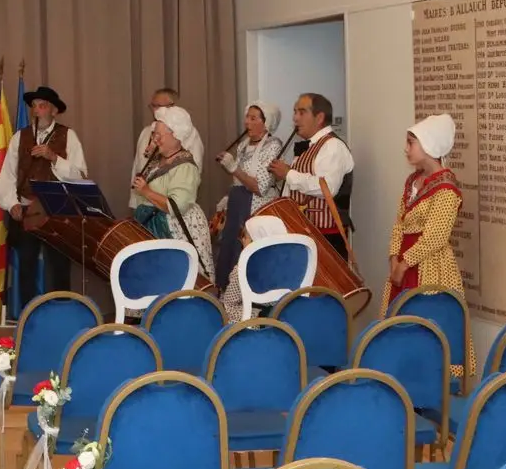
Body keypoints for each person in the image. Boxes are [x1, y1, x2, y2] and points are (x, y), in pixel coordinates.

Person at [383, 114, 474, 374]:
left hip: (429, 265)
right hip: (403, 261)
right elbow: (399, 223)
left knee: (428, 320)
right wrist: (394, 257)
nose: (406, 148)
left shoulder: (446, 188)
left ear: (429, 145)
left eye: (411, 142)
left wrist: (405, 263)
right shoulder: (412, 181)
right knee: (398, 319)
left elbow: (436, 236)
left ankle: (432, 377)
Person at [0, 85, 88, 303]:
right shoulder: (20, 137)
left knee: (59, 266)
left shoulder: (68, 135)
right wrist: (12, 203)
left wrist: (54, 158)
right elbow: (8, 175)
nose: (36, 111)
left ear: (54, 111)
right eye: (34, 106)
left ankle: (61, 311)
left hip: (57, 210)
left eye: (42, 106)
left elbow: (81, 176)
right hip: (27, 210)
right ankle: (29, 313)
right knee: (26, 266)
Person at [130, 105, 218, 314]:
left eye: (159, 135)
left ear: (176, 135)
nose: (155, 140)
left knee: (181, 285)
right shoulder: (160, 161)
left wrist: (146, 191)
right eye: (154, 135)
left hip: (177, 229)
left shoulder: (185, 166)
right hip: (155, 225)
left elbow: (176, 206)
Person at [210, 102, 284, 297]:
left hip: (255, 206)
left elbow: (260, 187)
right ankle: (228, 297)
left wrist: (233, 168)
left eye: (253, 118)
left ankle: (249, 298)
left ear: (266, 123)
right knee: (230, 247)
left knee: (247, 251)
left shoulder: (273, 145)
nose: (247, 122)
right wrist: (229, 197)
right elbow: (241, 180)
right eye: (247, 117)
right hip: (238, 203)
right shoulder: (244, 145)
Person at [268, 93, 354, 259]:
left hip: (326, 237)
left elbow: (327, 188)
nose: (295, 118)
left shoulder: (333, 146)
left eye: (301, 112)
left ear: (319, 117)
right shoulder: (309, 147)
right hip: (306, 233)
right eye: (295, 112)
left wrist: (288, 174)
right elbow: (296, 187)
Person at [129, 87, 203, 209]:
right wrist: (135, 203)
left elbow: (194, 171)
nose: (154, 110)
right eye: (152, 106)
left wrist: (151, 193)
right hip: (144, 205)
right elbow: (137, 167)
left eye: (158, 106)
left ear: (172, 106)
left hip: (168, 208)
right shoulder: (145, 132)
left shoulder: (188, 134)